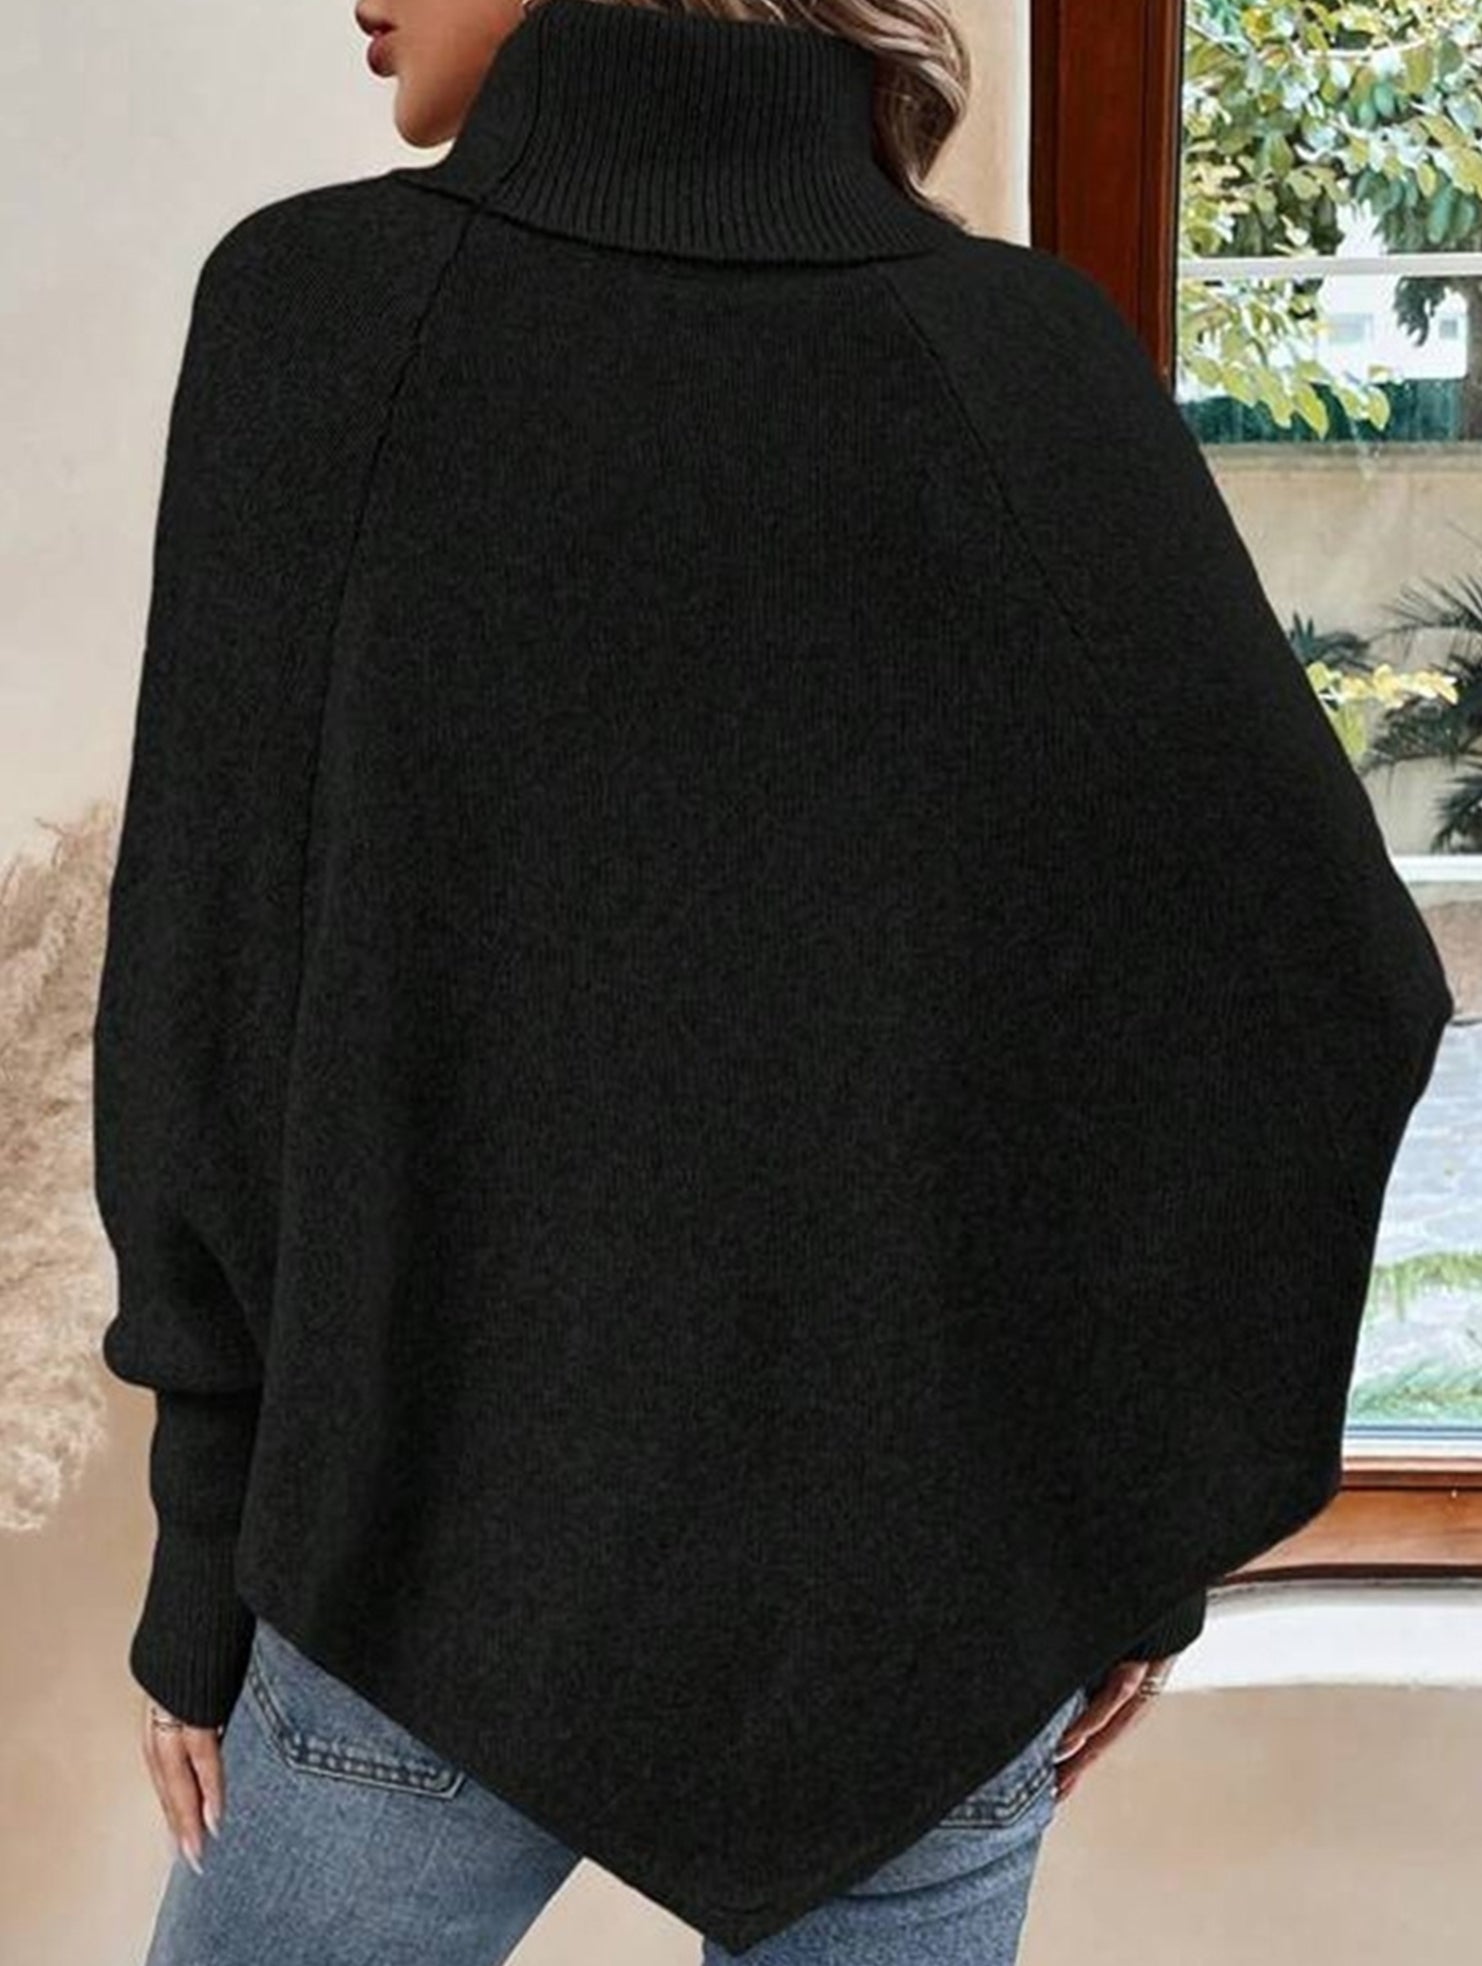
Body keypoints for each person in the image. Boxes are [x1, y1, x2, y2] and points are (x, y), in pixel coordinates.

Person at [92, 2, 1453, 1962]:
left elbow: (205, 999)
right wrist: (1125, 1523)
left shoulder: (320, 309)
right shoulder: (1032, 355)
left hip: (416, 1582)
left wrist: (204, 1548)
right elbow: (1316, 991)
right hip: (930, 1640)